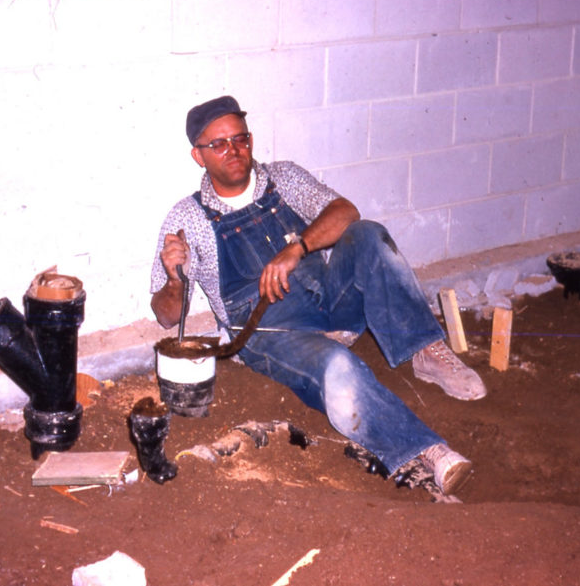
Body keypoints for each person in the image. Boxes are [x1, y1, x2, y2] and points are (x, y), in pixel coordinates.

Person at [150, 95, 487, 495]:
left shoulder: (284, 178)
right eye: (218, 144)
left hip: (327, 301)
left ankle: (426, 351)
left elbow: (345, 211)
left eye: (240, 139)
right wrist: (174, 279)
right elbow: (167, 317)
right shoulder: (187, 218)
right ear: (198, 156)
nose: (233, 151)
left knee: (367, 236)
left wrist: (297, 249)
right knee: (338, 370)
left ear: (251, 139)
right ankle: (427, 449)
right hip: (269, 331)